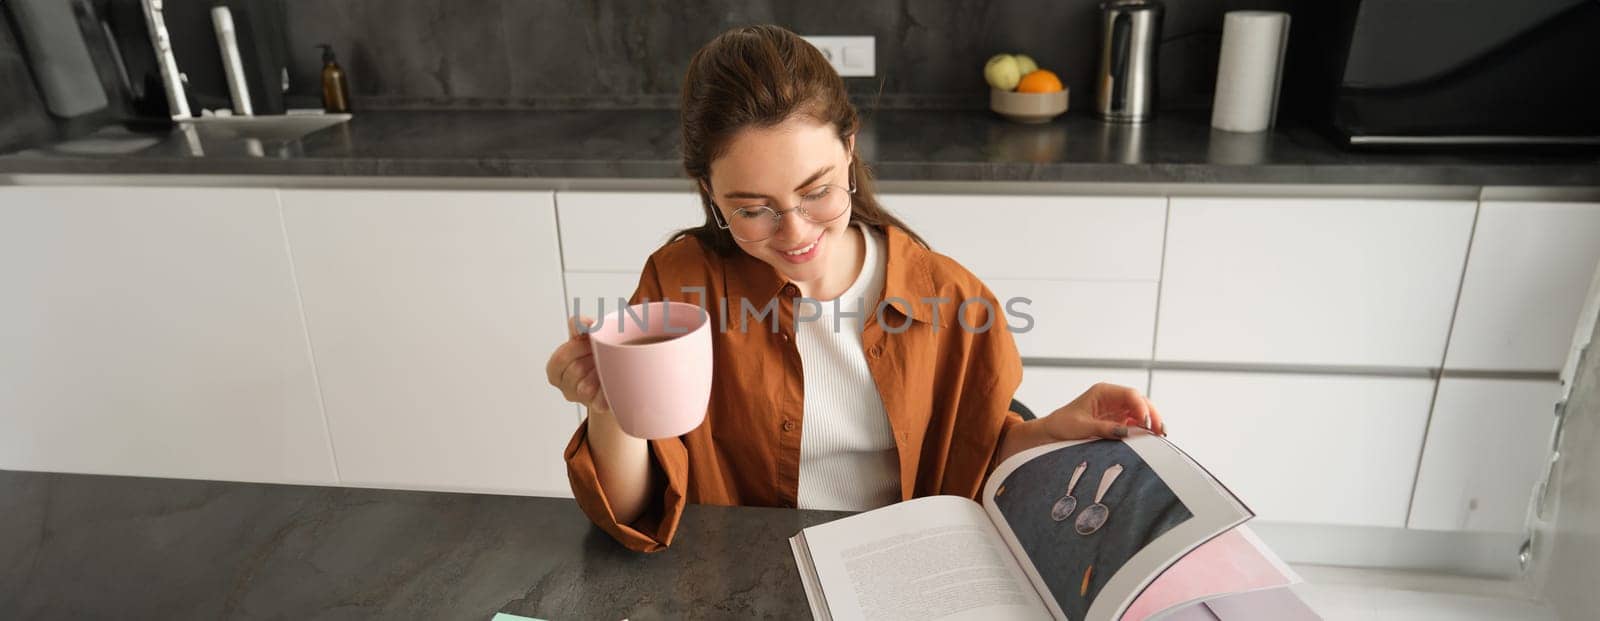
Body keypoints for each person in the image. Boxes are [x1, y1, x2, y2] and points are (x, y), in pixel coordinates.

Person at [545, 24, 1165, 553]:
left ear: (848, 149)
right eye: (752, 208)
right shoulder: (680, 285)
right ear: (708, 190)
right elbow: (635, 510)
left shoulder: (947, 296)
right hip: (740, 583)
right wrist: (609, 407)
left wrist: (1057, 429)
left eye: (816, 192)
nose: (793, 233)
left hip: (901, 572)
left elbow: (973, 457)